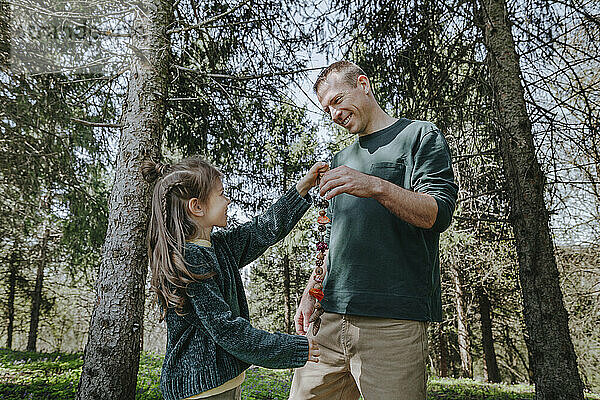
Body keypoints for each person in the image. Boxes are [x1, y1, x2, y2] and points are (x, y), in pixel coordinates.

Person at [289, 61, 459, 399]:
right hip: (330, 318)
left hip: (392, 322)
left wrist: (375, 185)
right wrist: (313, 288)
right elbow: (333, 238)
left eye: (337, 100)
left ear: (363, 84)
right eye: (327, 109)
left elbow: (437, 214)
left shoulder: (418, 135)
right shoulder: (339, 159)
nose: (334, 114)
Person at [142, 156, 328, 400]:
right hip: (201, 392)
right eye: (221, 194)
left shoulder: (217, 247)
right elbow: (228, 330)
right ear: (196, 207)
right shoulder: (189, 260)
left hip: (220, 385)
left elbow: (262, 230)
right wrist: (291, 348)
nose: (228, 200)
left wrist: (302, 188)